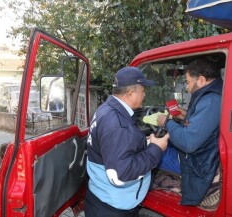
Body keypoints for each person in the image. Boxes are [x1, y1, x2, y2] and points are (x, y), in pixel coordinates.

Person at [85, 66, 170, 216]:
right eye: (142, 91)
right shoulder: (117, 122)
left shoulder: (106, 109)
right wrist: (156, 148)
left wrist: (145, 142)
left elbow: (116, 145)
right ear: (131, 94)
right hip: (113, 208)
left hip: (102, 198)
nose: (144, 95)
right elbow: (120, 175)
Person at [157, 58, 223, 206]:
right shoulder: (212, 96)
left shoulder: (211, 99)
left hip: (198, 163)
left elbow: (188, 143)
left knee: (154, 153)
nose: (187, 87)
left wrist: (166, 123)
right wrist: (186, 116)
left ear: (200, 80)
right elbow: (207, 124)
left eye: (188, 82)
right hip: (203, 153)